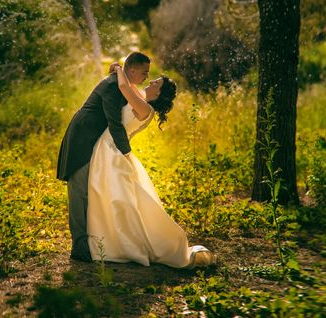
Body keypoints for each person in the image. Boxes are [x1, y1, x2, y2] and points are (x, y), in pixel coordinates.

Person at [87, 64, 216, 268]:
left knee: (119, 199)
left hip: (114, 150)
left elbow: (122, 86)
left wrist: (119, 69)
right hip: (107, 147)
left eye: (157, 83)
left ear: (160, 93)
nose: (152, 81)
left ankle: (126, 245)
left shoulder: (145, 109)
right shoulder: (140, 99)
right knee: (109, 196)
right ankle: (111, 241)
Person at [57, 52, 151, 262]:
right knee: (79, 193)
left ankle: (90, 242)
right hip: (82, 139)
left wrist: (118, 68)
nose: (146, 76)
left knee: (91, 192)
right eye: (144, 72)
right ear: (133, 69)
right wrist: (126, 153)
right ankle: (79, 248)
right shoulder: (111, 86)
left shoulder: (121, 84)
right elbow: (114, 123)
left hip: (94, 142)